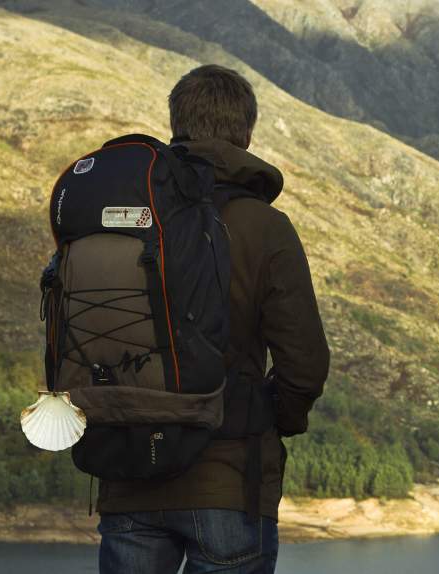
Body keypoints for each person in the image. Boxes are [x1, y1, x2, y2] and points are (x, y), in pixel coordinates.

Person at [95, 64, 330, 574]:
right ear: (246, 133)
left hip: (127, 473)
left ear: (176, 124)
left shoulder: (119, 213)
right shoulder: (265, 227)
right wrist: (275, 419)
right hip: (229, 478)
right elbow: (305, 364)